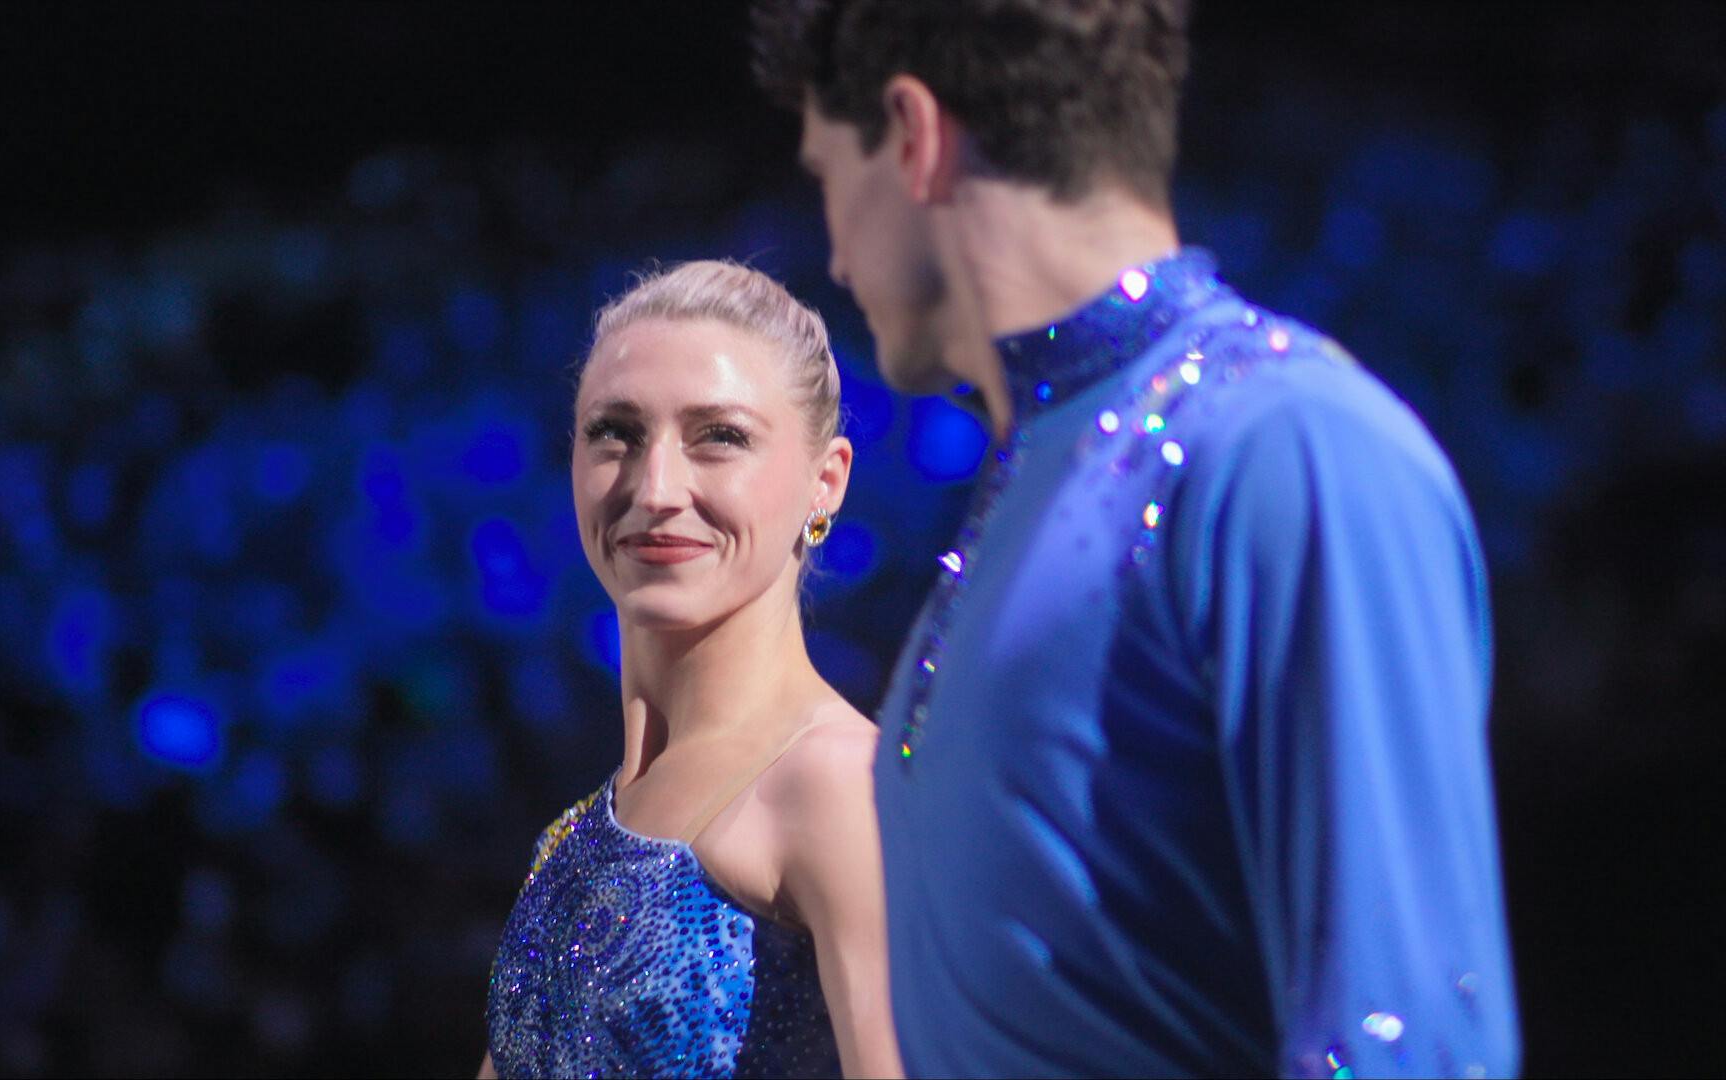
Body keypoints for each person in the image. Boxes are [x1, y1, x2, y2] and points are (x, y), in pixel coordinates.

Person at [751, 2, 1521, 1077]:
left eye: (828, 174)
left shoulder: (1288, 446)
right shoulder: (1032, 487)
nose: (830, 252)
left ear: (914, 135)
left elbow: (1410, 1047)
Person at [478, 261, 904, 1079]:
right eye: (616, 434)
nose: (656, 487)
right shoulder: (570, 840)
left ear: (827, 483)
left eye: (721, 437)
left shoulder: (843, 788)